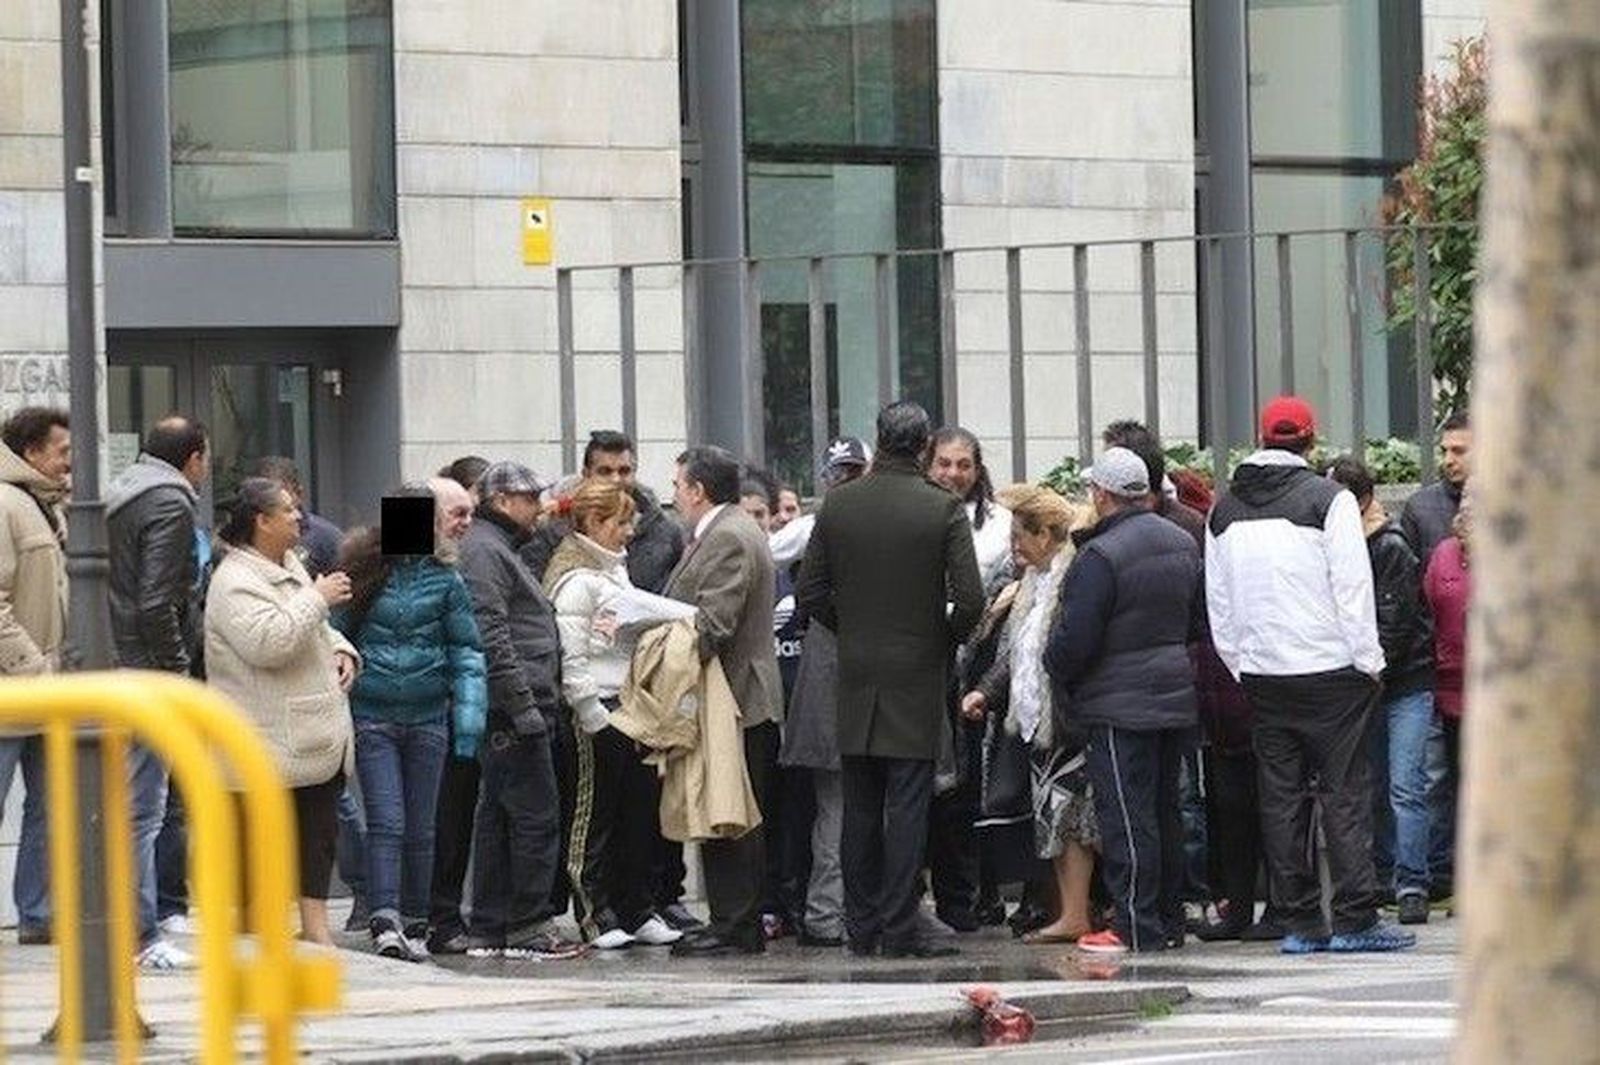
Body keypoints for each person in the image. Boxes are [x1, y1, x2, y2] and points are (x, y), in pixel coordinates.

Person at [1206, 396, 1414, 954]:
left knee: (1281, 799)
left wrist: (1241, 664)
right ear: (1310, 441)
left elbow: (1218, 602)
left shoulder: (1223, 511)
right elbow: (1352, 587)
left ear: (1261, 438)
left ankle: (1300, 922)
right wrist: (1369, 661)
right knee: (1344, 794)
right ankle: (1354, 918)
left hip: (1263, 673)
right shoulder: (1330, 500)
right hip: (1331, 670)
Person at [797, 402, 984, 958]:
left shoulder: (840, 504)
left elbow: (810, 593)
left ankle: (862, 926)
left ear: (878, 440)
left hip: (856, 670)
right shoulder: (941, 508)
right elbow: (970, 600)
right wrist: (940, 639)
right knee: (907, 807)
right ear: (925, 446)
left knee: (858, 806)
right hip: (917, 674)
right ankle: (900, 925)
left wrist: (851, 629)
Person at [1040, 448, 1199, 955]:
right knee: (1165, 811)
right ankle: (1168, 920)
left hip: (1116, 702)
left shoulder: (1100, 555)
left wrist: (1055, 664)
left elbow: (1075, 640)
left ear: (1102, 494)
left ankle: (1134, 923)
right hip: (1174, 695)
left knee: (1126, 814)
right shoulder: (1182, 541)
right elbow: (1197, 619)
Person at [333, 484, 486, 961]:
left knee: (422, 827)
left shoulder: (446, 581)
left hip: (428, 719)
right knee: (388, 821)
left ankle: (416, 921)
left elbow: (467, 652)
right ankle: (385, 918)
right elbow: (336, 635)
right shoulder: (363, 572)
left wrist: (468, 723)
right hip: (373, 716)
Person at [204, 477, 358, 944]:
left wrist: (342, 650)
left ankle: (316, 930)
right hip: (265, 737)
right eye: (288, 509)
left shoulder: (291, 564)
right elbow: (268, 642)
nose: (298, 516)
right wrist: (317, 598)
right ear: (262, 521)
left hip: (312, 734)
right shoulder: (234, 581)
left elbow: (316, 631)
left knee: (317, 834)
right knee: (262, 843)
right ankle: (258, 934)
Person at [545, 478, 683, 950]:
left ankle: (636, 908)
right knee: (594, 817)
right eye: (620, 523)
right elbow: (572, 656)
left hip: (629, 707)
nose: (628, 532)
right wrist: (588, 710)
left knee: (637, 814)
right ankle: (595, 914)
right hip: (597, 711)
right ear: (593, 522)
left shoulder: (614, 573)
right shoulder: (575, 582)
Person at [456, 462, 586, 959]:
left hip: (516, 704)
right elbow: (491, 633)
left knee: (499, 816)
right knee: (534, 817)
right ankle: (528, 925)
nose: (539, 508)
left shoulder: (495, 546)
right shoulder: (486, 550)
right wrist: (522, 704)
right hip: (514, 708)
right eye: (530, 500)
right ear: (503, 501)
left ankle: (492, 925)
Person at [962, 485, 1099, 944]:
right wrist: (986, 691)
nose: (1014, 547)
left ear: (1044, 535)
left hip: (1064, 719)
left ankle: (1075, 913)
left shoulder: (1071, 578)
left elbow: (1062, 649)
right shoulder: (1032, 584)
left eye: (1020, 536)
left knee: (1069, 817)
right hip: (1034, 719)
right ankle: (1066, 911)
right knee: (1050, 818)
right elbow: (1017, 654)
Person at [663, 445, 783, 956]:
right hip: (729, 693)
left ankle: (735, 924)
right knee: (727, 807)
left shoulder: (729, 535)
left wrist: (653, 637)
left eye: (677, 486)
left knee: (733, 811)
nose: (674, 495)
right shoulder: (724, 531)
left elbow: (714, 623)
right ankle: (732, 920)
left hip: (735, 695)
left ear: (697, 490)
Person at [106, 415, 208, 971]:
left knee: (128, 807)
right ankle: (140, 935)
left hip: (116, 664)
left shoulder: (125, 490)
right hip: (146, 671)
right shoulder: (170, 502)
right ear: (193, 458)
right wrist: (176, 668)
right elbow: (156, 600)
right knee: (143, 810)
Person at [253, 455, 369, 930]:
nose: (293, 518)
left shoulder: (322, 540)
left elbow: (337, 610)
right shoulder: (244, 568)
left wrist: (343, 648)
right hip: (286, 707)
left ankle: (363, 891)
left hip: (318, 698)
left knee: (332, 806)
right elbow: (275, 633)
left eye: (288, 503)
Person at [1328, 457, 1437, 926]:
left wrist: (1372, 669)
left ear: (1364, 501)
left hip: (1400, 680)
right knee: (1377, 786)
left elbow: (1395, 621)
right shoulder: (1347, 544)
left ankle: (1411, 882)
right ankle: (1387, 875)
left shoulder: (1389, 546)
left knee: (1405, 786)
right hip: (1373, 680)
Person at [777, 442, 872, 948]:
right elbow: (767, 555)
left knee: (852, 808)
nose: (846, 481)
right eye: (839, 474)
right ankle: (826, 912)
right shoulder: (813, 527)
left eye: (854, 472)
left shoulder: (834, 524)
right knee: (835, 807)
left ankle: (841, 910)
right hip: (833, 678)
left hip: (846, 676)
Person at [0, 408, 70, 944]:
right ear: (31, 452)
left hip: (51, 691)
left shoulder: (46, 506)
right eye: (62, 451)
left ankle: (39, 915)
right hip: (17, 689)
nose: (70, 461)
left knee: (51, 805)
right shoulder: (6, 504)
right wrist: (34, 667)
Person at [1400, 411, 1470, 900]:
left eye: (1459, 451)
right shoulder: (1423, 508)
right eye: (1444, 450)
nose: (1448, 459)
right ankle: (1440, 871)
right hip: (1433, 670)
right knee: (1432, 778)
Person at [426, 470, 495, 951]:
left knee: (453, 820)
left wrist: (469, 719)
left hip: (453, 711)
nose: (466, 522)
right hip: (410, 711)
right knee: (413, 822)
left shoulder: (455, 568)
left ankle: (441, 917)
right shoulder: (395, 564)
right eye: (457, 514)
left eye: (471, 513)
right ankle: (415, 914)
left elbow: (467, 650)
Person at [1422, 493, 1471, 908]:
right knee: (1444, 781)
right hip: (1447, 686)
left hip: (1495, 692)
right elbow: (1427, 610)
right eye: (1465, 505)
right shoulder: (1444, 555)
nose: (1466, 513)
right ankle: (1446, 871)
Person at [930, 427, 1013, 590]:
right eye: (944, 464)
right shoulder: (908, 516)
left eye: (964, 465)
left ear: (977, 471)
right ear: (928, 467)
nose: (953, 473)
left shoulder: (1002, 523)